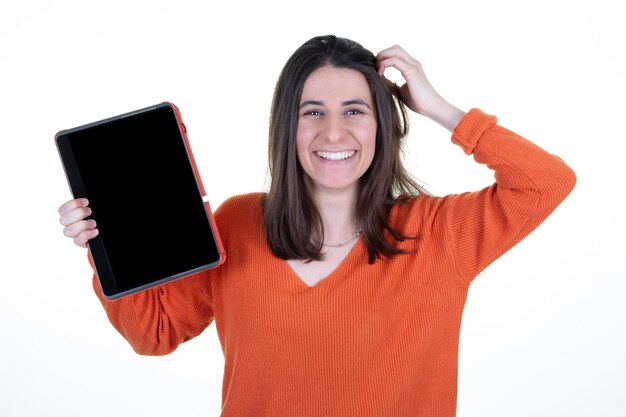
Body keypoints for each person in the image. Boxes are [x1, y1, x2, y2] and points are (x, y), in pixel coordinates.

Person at [58, 35, 576, 416]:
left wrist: (438, 108)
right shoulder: (238, 223)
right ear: (289, 126)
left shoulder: (439, 231)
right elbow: (155, 334)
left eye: (355, 110)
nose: (334, 131)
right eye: (312, 112)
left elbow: (547, 181)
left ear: (383, 122)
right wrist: (104, 247)